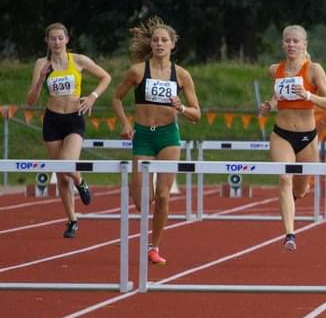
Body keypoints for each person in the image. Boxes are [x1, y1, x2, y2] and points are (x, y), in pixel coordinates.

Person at [110, 17, 201, 265]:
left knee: (163, 196)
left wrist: (181, 108)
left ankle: (154, 246)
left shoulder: (181, 75)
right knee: (143, 199)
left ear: (173, 44)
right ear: (150, 44)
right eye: (156, 40)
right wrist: (125, 123)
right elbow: (116, 98)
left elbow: (197, 114)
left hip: (168, 136)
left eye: (164, 40)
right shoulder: (138, 71)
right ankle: (143, 211)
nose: (159, 44)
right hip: (143, 136)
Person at [24, 23, 112, 238]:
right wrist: (41, 80)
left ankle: (80, 181)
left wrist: (92, 97)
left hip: (74, 118)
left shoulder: (78, 60)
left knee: (67, 163)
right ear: (47, 41)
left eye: (60, 38)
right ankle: (72, 220)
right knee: (61, 176)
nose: (56, 42)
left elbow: (106, 77)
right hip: (52, 120)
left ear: (67, 40)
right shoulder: (42, 63)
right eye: (52, 38)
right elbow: (30, 100)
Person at [259, 25, 326, 251]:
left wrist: (308, 95)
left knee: (300, 190)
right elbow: (278, 94)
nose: (291, 44)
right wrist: (269, 105)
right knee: (284, 178)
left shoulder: (313, 70)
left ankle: (295, 196)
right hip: (281, 134)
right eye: (287, 41)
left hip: (307, 138)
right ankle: (289, 235)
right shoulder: (275, 70)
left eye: (295, 41)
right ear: (282, 44)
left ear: (304, 44)